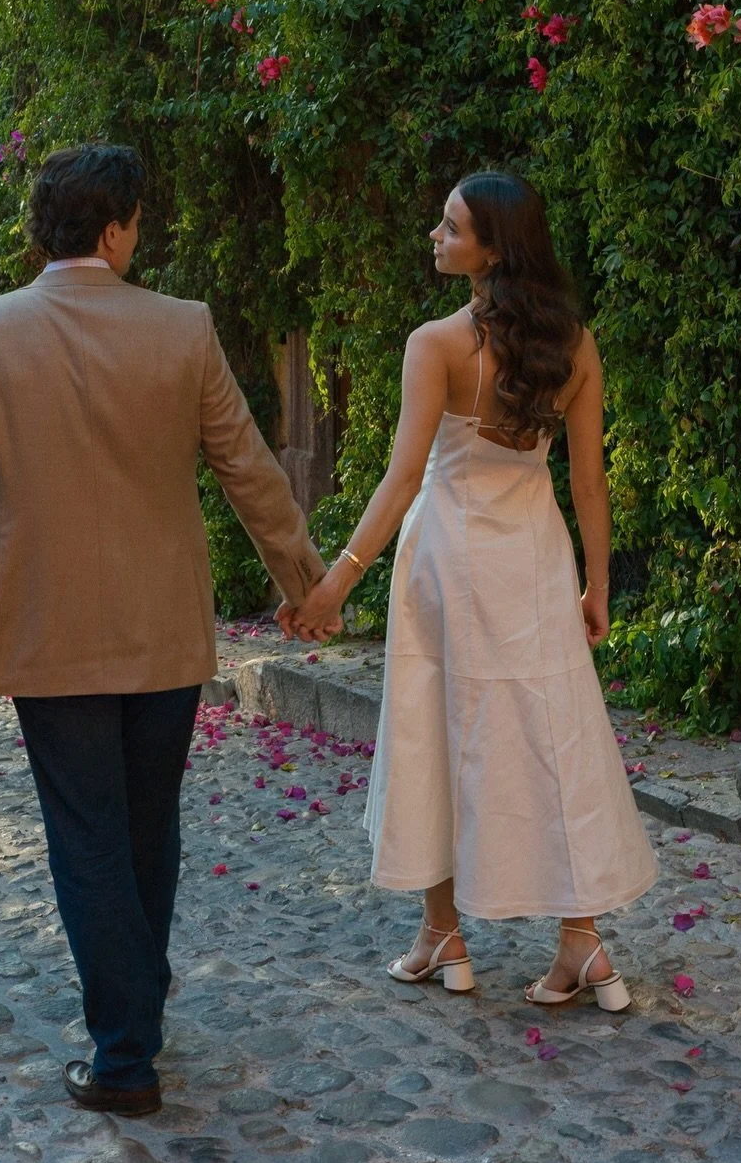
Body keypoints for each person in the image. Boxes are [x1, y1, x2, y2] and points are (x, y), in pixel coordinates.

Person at [0, 142, 326, 1116]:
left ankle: (124, 1054)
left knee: (89, 835)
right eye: (138, 220)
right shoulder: (181, 331)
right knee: (148, 825)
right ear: (114, 229)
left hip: (47, 634)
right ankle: (134, 1018)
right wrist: (304, 581)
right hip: (160, 630)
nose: (140, 235)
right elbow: (250, 472)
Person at [282, 170, 657, 1009]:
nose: (435, 237)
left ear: (493, 248)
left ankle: (443, 935)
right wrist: (597, 585)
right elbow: (588, 482)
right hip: (532, 556)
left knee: (434, 731)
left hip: (446, 558)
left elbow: (402, 475)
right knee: (552, 732)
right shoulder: (576, 345)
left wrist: (336, 581)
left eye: (451, 229)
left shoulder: (437, 344)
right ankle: (582, 944)